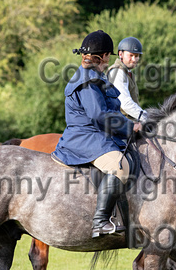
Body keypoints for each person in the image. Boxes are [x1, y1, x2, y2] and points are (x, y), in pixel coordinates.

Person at [52, 30, 139, 237]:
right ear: (102, 56)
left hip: (97, 135)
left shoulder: (94, 76)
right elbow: (98, 115)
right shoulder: (88, 81)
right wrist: (129, 126)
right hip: (85, 138)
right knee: (119, 167)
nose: (109, 60)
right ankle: (100, 221)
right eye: (108, 55)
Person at [107, 37, 147, 123]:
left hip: (128, 121)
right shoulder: (117, 72)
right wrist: (145, 117)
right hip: (119, 125)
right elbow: (125, 103)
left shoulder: (127, 73)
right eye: (131, 55)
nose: (134, 59)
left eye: (136, 56)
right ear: (120, 54)